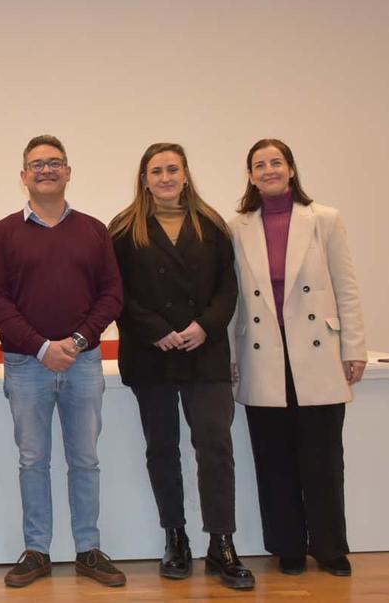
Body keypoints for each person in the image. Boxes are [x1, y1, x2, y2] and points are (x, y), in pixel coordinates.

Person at [0, 135, 126, 588]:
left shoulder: (94, 230)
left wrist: (80, 340)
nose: (45, 170)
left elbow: (112, 295)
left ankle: (88, 549)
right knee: (33, 461)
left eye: (54, 163)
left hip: (83, 363)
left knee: (85, 460)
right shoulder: (4, 233)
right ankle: (37, 551)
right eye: (36, 164)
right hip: (27, 365)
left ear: (68, 172)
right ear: (23, 176)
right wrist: (43, 346)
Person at [109, 143, 254, 589]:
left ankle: (221, 544)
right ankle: (176, 537)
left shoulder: (212, 225)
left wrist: (204, 327)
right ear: (144, 178)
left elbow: (228, 290)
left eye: (173, 169)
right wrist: (156, 329)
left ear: (186, 174)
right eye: (156, 171)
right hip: (150, 354)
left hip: (204, 354)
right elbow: (117, 293)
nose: (166, 177)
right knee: (162, 450)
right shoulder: (122, 229)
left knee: (215, 450)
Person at [229, 138, 366, 577]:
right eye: (259, 164)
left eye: (276, 162)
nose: (268, 170)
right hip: (261, 354)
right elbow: (232, 299)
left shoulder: (323, 219)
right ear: (249, 175)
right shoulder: (236, 227)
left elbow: (346, 287)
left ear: (290, 169)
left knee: (323, 459)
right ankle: (287, 545)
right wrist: (231, 354)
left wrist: (354, 348)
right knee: (273, 459)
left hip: (317, 352)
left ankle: (329, 547)